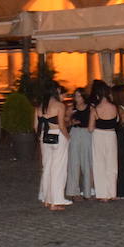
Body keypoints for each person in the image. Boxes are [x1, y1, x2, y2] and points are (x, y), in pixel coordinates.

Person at [36, 83, 70, 211]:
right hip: (57, 136)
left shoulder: (40, 107)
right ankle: (56, 200)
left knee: (47, 167)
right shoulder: (59, 106)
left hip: (44, 137)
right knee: (58, 168)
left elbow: (36, 126)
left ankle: (46, 198)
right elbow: (61, 125)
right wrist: (68, 137)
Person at [87, 81, 120, 201]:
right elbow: (117, 122)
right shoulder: (114, 107)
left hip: (98, 135)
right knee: (111, 164)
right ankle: (112, 192)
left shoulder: (95, 109)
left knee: (99, 164)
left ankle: (102, 194)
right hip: (111, 135)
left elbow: (90, 128)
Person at [64, 88, 93, 199]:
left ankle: (87, 191)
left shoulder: (90, 108)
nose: (77, 98)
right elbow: (65, 121)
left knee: (87, 162)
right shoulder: (71, 108)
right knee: (73, 162)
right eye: (75, 95)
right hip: (75, 132)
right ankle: (73, 191)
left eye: (79, 96)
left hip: (86, 133)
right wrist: (71, 120)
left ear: (84, 97)